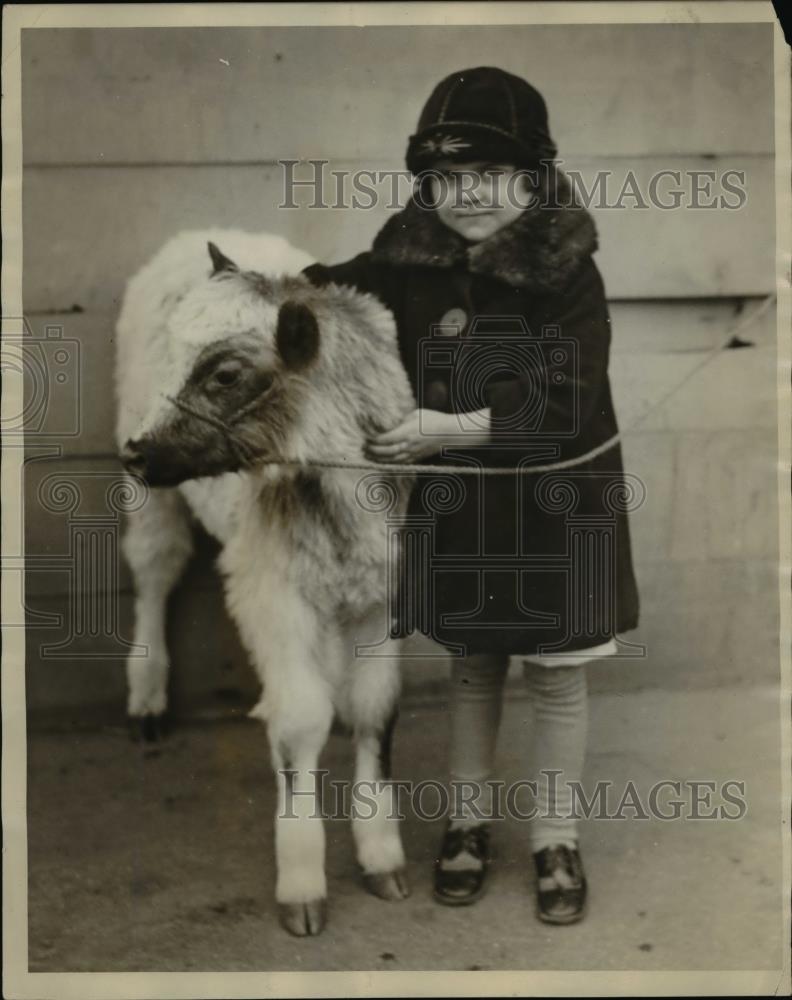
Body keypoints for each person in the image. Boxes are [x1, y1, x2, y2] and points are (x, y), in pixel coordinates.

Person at [304, 66, 639, 925]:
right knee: (472, 666)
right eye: (445, 179)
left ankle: (555, 837)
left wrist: (436, 431)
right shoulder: (408, 260)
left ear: (534, 179)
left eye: (487, 176)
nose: (465, 196)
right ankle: (466, 823)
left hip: (557, 504)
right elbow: (331, 294)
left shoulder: (567, 273)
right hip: (467, 509)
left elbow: (559, 402)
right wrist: (265, 286)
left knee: (556, 674)